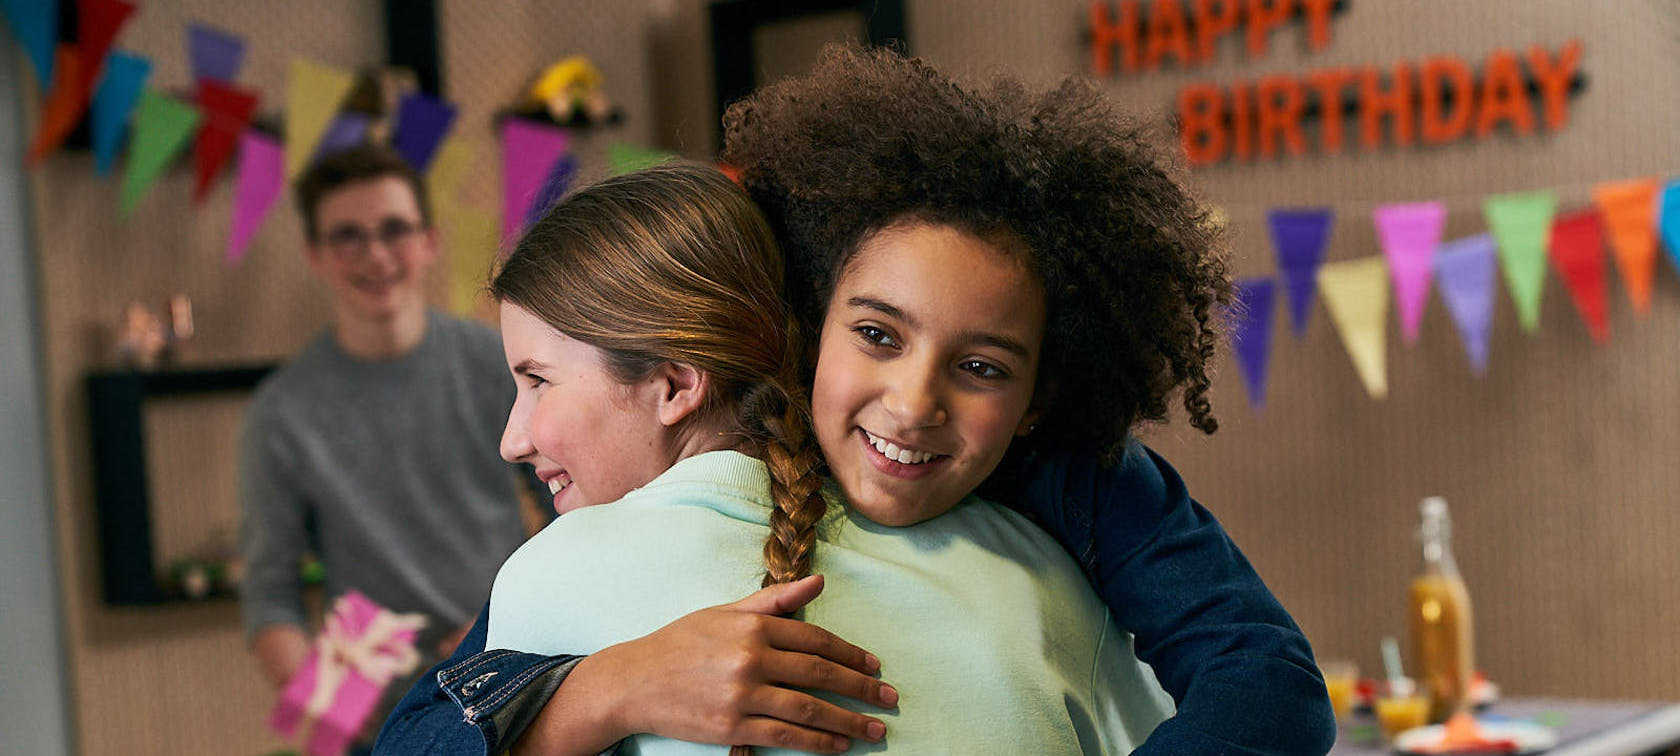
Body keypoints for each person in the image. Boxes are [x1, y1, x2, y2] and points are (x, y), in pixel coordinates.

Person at [379, 46, 1334, 755]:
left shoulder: (1078, 476)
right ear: (811, 324)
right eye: (877, 335)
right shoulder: (736, 449)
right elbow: (431, 722)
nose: (912, 404)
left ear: (1042, 397)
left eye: (985, 368)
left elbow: (1266, 676)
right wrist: (609, 688)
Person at [238, 145, 543, 748]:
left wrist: (503, 625)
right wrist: (328, 721)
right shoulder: (281, 411)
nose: (375, 255)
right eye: (347, 236)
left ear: (429, 241)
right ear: (315, 256)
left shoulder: (500, 363)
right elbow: (269, 595)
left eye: (394, 230)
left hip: (512, 661)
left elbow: (576, 503)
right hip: (368, 703)